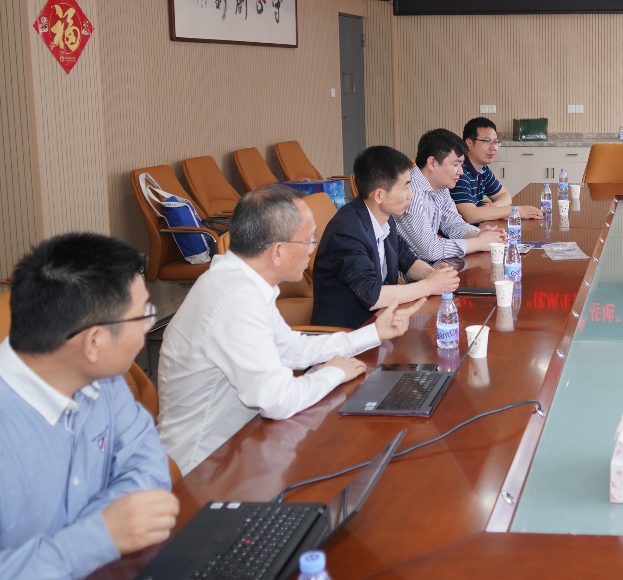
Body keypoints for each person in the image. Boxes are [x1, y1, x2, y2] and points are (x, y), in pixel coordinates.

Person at [157, 185, 423, 474]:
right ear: (278, 251)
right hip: (205, 468)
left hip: (244, 443)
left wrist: (373, 333)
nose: (313, 249)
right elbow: (278, 400)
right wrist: (332, 373)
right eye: (308, 240)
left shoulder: (242, 281)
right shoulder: (236, 298)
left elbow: (290, 348)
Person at [0, 233, 178, 578]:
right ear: (93, 342)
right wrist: (96, 538)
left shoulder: (103, 379)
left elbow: (148, 465)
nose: (148, 326)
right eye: (142, 315)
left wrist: (102, 534)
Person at [312, 145, 459, 329]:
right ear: (379, 195)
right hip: (348, 331)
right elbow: (371, 295)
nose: (411, 195)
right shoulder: (346, 232)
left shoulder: (384, 217)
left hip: (381, 321)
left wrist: (435, 276)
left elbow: (406, 259)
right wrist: (429, 286)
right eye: (405, 187)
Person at [395, 128, 507, 264]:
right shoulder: (410, 192)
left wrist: (480, 234)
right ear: (432, 163)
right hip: (412, 273)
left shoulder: (441, 187)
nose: (461, 172)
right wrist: (478, 243)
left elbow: (453, 224)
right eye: (455, 164)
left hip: (432, 267)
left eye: (462, 165)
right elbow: (430, 250)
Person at [450, 117, 544, 224]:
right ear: (469, 143)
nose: (493, 147)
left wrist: (494, 207)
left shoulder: (483, 169)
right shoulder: (459, 172)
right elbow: (471, 216)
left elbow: (505, 195)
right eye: (487, 141)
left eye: (495, 142)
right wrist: (515, 211)